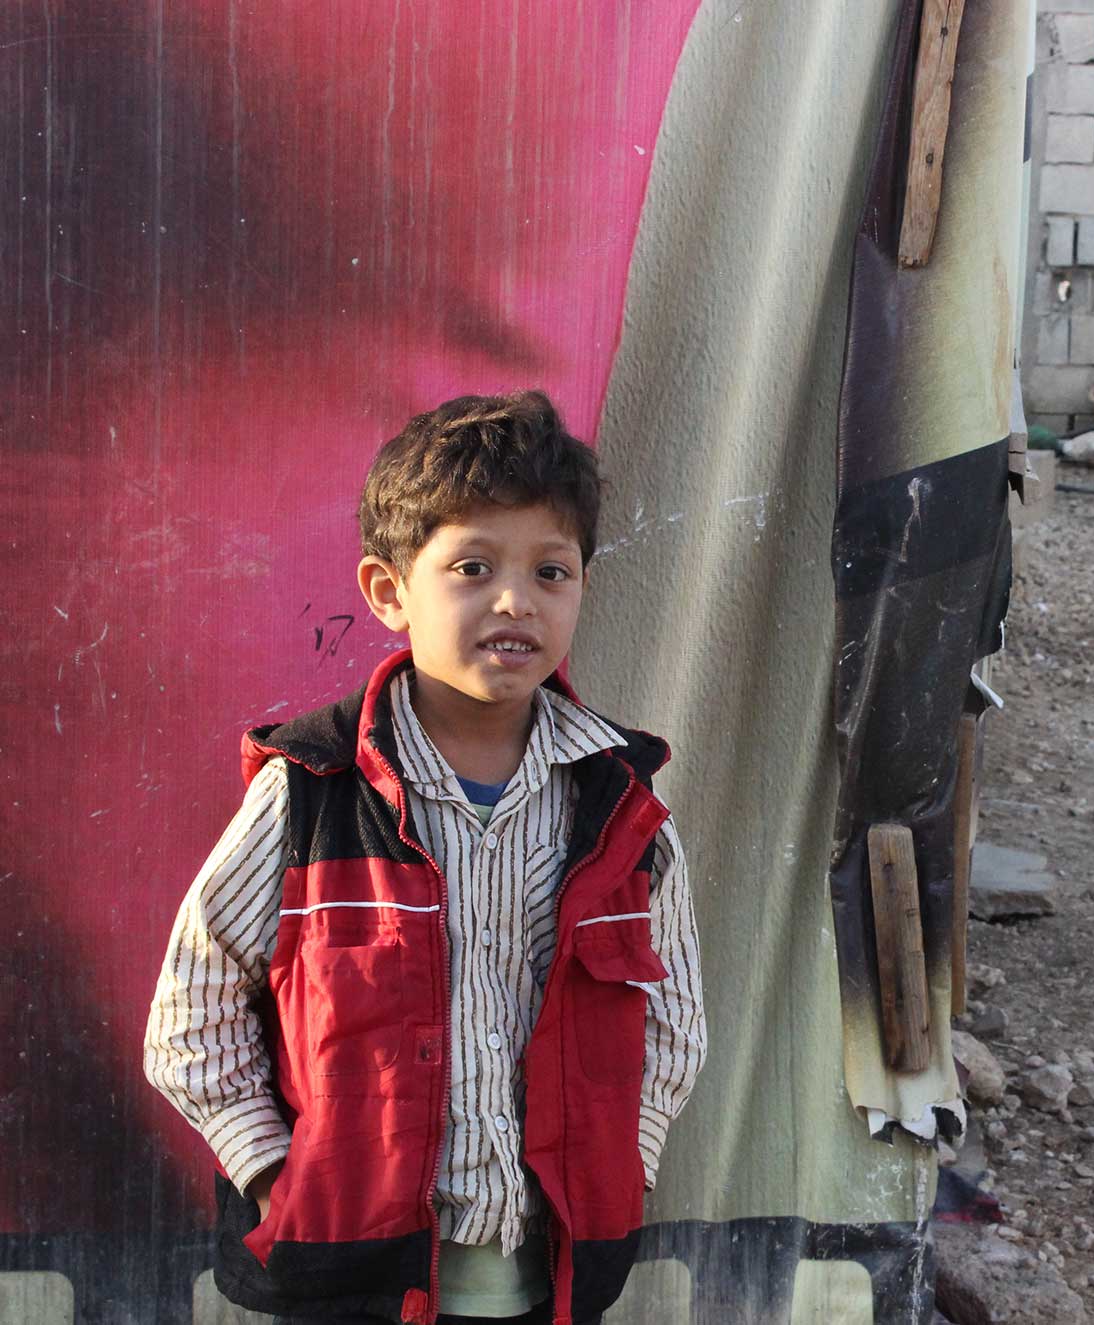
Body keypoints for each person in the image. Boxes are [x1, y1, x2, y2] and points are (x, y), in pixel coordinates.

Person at [143, 391, 706, 1325]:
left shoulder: (623, 810)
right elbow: (191, 1011)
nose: (516, 599)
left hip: (545, 1272)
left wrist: (621, 1161)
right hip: (350, 1276)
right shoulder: (312, 797)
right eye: (473, 567)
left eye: (551, 571)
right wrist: (282, 1172)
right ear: (388, 591)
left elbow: (675, 1021)